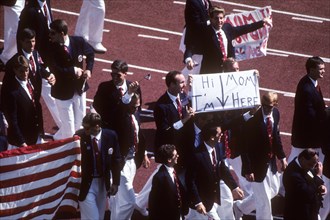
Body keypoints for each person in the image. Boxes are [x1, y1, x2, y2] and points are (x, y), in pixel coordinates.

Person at [238, 91, 288, 220]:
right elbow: (244, 147)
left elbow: (276, 137)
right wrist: (248, 169)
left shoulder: (276, 114)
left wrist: (282, 158)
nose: (266, 109)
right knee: (264, 203)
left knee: (274, 190)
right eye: (263, 105)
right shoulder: (252, 120)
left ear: (275, 105)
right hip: (256, 166)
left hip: (270, 163)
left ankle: (240, 207)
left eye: (269, 106)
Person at [185, 6, 272, 74]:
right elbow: (191, 47)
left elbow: (244, 29)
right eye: (216, 18)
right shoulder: (205, 32)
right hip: (211, 73)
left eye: (221, 18)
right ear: (211, 19)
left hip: (228, 71)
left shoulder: (227, 28)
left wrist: (262, 22)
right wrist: (188, 59)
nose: (219, 21)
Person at [17, 0, 62, 130]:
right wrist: (27, 59)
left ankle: (64, 125)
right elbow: (22, 37)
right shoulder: (29, 11)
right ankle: (64, 126)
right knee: (48, 93)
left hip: (49, 55)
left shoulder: (46, 2)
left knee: (52, 90)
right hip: (38, 58)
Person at [48, 19, 95, 139]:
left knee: (80, 123)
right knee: (68, 127)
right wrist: (73, 70)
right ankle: (71, 154)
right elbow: (55, 69)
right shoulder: (51, 48)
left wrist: (89, 69)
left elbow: (90, 53)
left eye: (53, 33)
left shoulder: (78, 41)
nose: (50, 35)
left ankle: (59, 139)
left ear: (62, 33)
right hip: (62, 92)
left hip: (79, 89)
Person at [186, 123, 243, 220]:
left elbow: (222, 168)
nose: (222, 135)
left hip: (216, 195)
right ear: (212, 137)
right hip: (204, 200)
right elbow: (190, 181)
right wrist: (198, 202)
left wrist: (234, 187)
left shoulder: (217, 147)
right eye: (219, 134)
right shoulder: (196, 156)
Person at [110, 93, 150, 220]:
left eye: (137, 106)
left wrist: (144, 154)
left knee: (119, 198)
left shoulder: (135, 114)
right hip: (120, 163)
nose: (135, 109)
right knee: (129, 201)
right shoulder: (119, 117)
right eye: (133, 107)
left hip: (132, 160)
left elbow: (139, 135)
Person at [75, 112, 122, 220]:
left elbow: (116, 160)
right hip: (86, 184)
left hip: (102, 183)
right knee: (94, 218)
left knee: (100, 217)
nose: (85, 130)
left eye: (87, 128)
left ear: (97, 126)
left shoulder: (111, 136)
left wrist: (115, 182)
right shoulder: (79, 137)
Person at [289, 56, 327, 163]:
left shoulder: (311, 82)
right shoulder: (306, 89)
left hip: (310, 137)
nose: (323, 71)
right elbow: (310, 116)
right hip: (306, 138)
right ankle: (285, 177)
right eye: (321, 69)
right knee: (296, 161)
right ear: (312, 70)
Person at [153, 70, 195, 169]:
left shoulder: (182, 95)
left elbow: (188, 103)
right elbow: (165, 131)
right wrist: (184, 120)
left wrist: (192, 87)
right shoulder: (161, 106)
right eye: (181, 82)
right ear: (172, 84)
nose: (184, 85)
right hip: (172, 150)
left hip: (185, 145)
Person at [0, 55, 44, 149]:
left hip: (35, 135)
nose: (25, 74)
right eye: (21, 71)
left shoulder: (30, 81)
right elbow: (12, 121)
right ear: (15, 70)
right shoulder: (11, 92)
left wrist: (40, 131)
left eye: (27, 70)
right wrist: (22, 142)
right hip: (21, 142)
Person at [4, 28, 55, 103]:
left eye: (33, 41)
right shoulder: (12, 63)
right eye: (28, 42)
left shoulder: (34, 53)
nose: (32, 45)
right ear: (21, 42)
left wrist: (48, 74)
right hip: (23, 102)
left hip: (35, 99)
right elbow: (7, 87)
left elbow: (38, 67)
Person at [93, 59, 141, 130]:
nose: (115, 78)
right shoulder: (104, 87)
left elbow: (138, 108)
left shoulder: (134, 87)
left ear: (125, 73)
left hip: (128, 128)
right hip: (111, 128)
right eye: (112, 74)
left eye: (118, 75)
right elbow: (97, 106)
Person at [283, 149, 327, 220]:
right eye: (310, 165)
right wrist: (318, 176)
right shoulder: (292, 174)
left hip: (309, 212)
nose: (312, 168)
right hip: (298, 215)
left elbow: (312, 180)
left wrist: (321, 186)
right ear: (302, 159)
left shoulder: (305, 166)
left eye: (314, 165)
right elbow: (307, 193)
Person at [149, 144, 188, 220]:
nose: (178, 156)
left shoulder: (173, 170)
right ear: (169, 159)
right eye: (175, 155)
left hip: (177, 214)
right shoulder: (159, 177)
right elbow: (153, 203)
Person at [0, 0, 25, 70]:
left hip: (14, 4)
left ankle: (7, 57)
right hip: (15, 4)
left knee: (13, 30)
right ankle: (8, 56)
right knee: (14, 30)